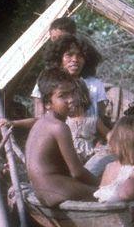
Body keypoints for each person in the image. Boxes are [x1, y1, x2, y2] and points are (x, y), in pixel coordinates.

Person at [25, 68, 98, 207]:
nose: (71, 99)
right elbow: (77, 172)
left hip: (41, 191)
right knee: (105, 193)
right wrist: (103, 185)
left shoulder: (41, 123)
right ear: (47, 103)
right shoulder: (59, 127)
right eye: (63, 95)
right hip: (55, 190)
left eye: (72, 92)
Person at [67, 78, 110, 163]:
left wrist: (102, 146)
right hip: (69, 162)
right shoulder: (64, 121)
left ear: (82, 96)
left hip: (89, 161)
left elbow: (110, 136)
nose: (69, 100)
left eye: (72, 94)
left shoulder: (93, 121)